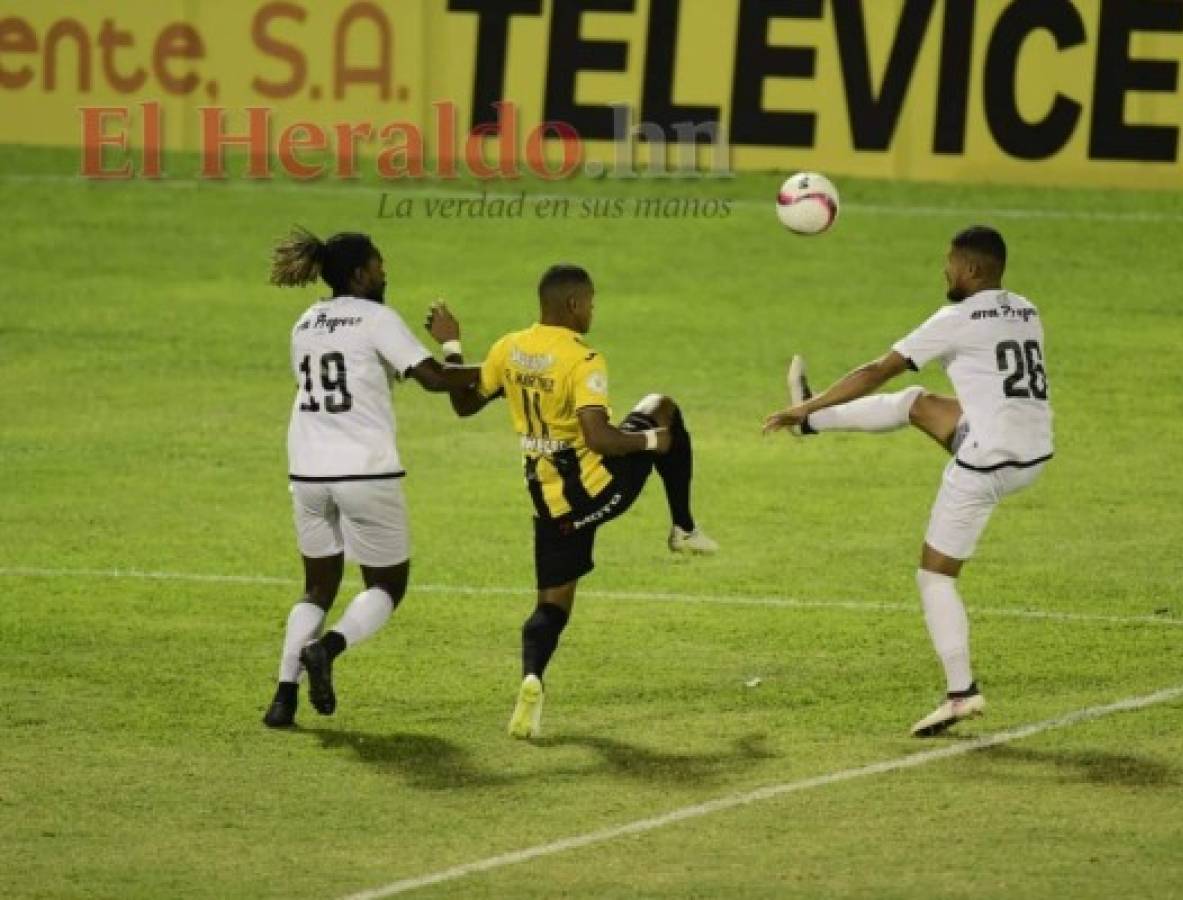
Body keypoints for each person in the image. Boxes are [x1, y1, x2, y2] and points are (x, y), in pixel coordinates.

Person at [763, 226, 1053, 736]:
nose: (945, 270)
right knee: (917, 404)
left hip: (987, 464)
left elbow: (877, 369)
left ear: (971, 270)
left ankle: (961, 694)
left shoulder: (955, 319)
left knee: (935, 576)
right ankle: (812, 427)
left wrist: (803, 403)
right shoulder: (1025, 308)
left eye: (950, 263)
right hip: (1034, 451)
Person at [426, 264, 718, 739]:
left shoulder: (508, 348)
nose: (593, 311)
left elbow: (463, 404)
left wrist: (452, 345)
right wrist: (654, 443)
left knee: (551, 608)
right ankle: (683, 528)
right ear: (574, 305)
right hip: (602, 486)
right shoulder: (583, 360)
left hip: (550, 507)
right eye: (592, 303)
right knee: (662, 407)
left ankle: (532, 679)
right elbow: (599, 439)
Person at [262, 228, 480, 728]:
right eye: (379, 268)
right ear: (359, 274)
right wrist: (477, 355)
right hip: (364, 470)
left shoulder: (306, 321)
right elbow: (435, 381)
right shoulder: (377, 318)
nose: (385, 276)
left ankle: (282, 698)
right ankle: (328, 650)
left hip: (308, 470)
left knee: (316, 588)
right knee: (386, 585)